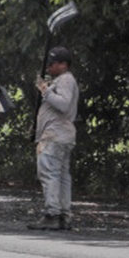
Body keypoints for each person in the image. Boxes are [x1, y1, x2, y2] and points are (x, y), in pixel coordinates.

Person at [27, 46, 80, 231]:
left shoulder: (65, 79)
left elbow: (64, 105)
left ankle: (52, 214)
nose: (48, 67)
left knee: (49, 174)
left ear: (63, 65)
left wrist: (45, 91)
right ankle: (64, 215)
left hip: (55, 135)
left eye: (52, 64)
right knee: (62, 176)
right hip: (62, 135)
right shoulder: (64, 80)